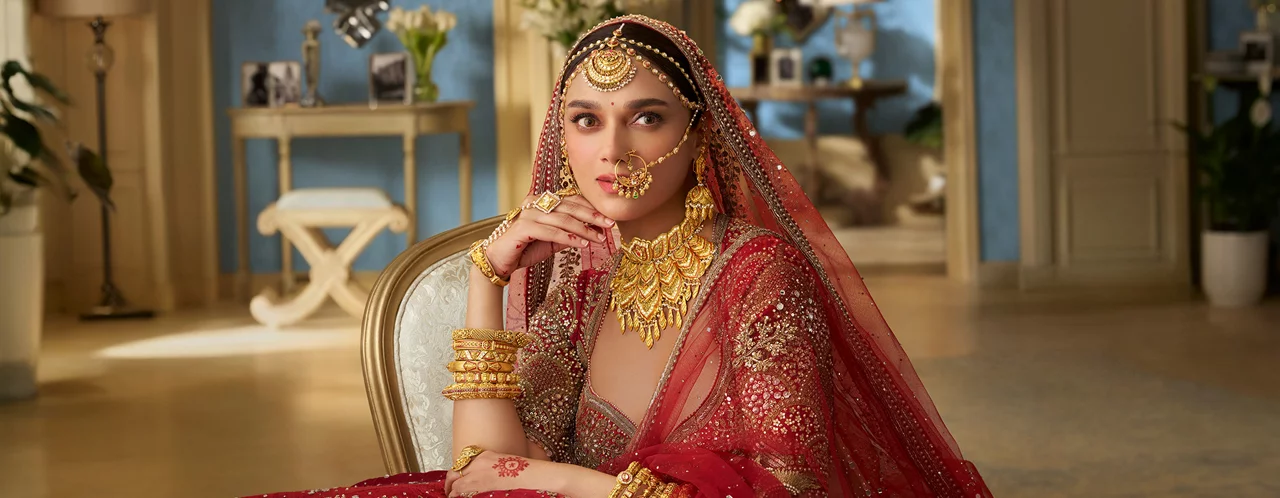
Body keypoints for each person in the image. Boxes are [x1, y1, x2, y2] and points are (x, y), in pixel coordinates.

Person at [245, 15, 991, 498]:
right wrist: (486, 278)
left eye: (647, 117)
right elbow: (480, 474)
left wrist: (573, 485)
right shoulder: (584, 269)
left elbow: (786, 488)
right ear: (562, 135)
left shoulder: (762, 276)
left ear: (699, 135)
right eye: (586, 120)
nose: (612, 150)